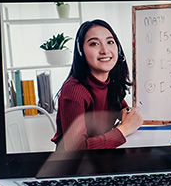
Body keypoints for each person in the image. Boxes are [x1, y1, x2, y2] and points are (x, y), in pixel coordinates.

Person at [52, 19, 143, 151]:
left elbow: (125, 112)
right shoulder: (74, 90)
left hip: (102, 160)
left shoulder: (110, 82)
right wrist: (123, 130)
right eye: (94, 44)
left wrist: (130, 116)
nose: (105, 50)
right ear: (81, 51)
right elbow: (76, 149)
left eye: (110, 42)